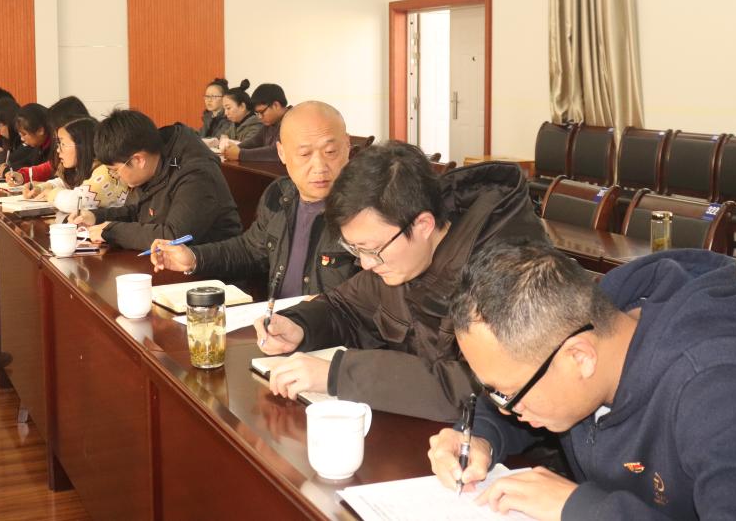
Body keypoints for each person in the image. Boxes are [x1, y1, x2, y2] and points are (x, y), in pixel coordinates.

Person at [428, 242, 736, 520]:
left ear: (580, 358)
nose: (505, 408)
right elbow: (518, 402)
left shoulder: (724, 391)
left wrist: (582, 508)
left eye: (511, 394)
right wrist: (481, 438)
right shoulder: (585, 331)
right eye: (495, 391)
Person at [254, 142, 546, 420]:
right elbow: (345, 307)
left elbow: (488, 387)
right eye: (355, 249)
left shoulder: (513, 272)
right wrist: (300, 325)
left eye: (371, 249)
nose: (366, 263)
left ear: (423, 225)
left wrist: (340, 375)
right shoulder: (403, 254)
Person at [150, 101, 359, 298]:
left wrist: (313, 315)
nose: (320, 166)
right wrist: (193, 258)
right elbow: (250, 250)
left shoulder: (364, 208)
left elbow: (367, 299)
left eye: (330, 151)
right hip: (273, 318)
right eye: (305, 154)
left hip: (325, 324)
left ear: (347, 145)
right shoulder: (279, 194)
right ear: (282, 153)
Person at [69, 109, 242, 251]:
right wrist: (96, 217)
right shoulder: (156, 159)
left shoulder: (196, 173)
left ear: (138, 160)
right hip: (172, 264)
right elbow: (139, 212)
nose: (117, 176)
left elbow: (174, 237)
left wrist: (112, 232)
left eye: (115, 171)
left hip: (213, 271)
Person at [24, 117, 129, 214]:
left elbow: (75, 202)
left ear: (83, 146)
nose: (58, 150)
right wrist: (40, 188)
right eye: (58, 144)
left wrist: (51, 194)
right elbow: (63, 183)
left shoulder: (107, 172)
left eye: (63, 144)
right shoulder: (79, 168)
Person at [8, 96, 93, 184]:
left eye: (55, 128)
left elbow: (82, 192)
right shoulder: (63, 156)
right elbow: (53, 170)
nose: (54, 133)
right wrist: (24, 176)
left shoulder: (98, 170)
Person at [224, 83, 288, 162]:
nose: (259, 117)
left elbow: (278, 152)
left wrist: (240, 154)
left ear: (276, 105)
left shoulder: (293, 121)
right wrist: (235, 149)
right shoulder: (270, 122)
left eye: (262, 112)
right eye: (257, 113)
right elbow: (255, 141)